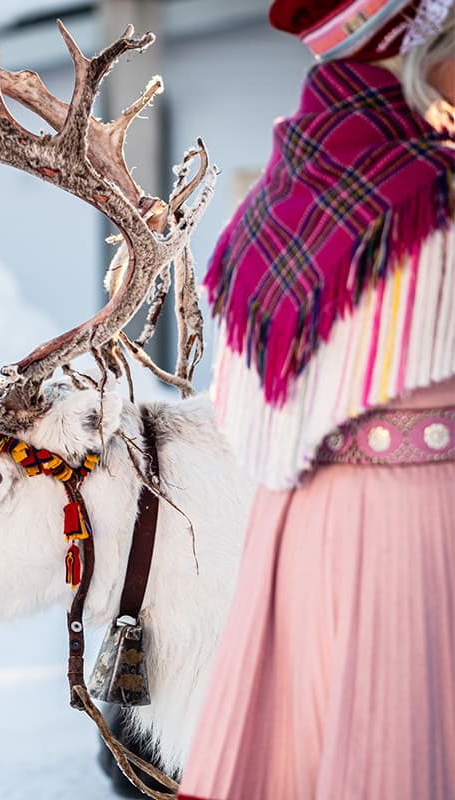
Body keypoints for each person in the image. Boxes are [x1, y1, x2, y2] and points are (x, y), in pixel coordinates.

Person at [178, 1, 455, 798]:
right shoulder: (431, 191)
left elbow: (239, 404)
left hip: (299, 533)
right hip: (416, 532)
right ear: (415, 49)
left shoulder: (273, 203)